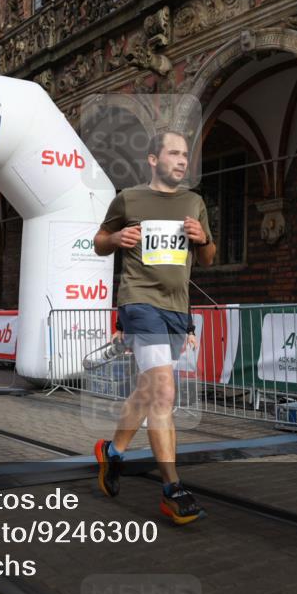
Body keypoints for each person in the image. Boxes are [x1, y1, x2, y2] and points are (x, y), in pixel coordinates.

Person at [92, 130, 215, 526]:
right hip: (140, 302)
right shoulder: (129, 199)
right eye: (174, 153)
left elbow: (209, 257)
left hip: (177, 310)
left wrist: (202, 237)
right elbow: (98, 242)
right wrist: (116, 237)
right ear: (153, 159)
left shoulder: (194, 202)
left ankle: (112, 451)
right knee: (163, 389)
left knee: (147, 389)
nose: (182, 161)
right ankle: (172, 489)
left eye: (186, 155)